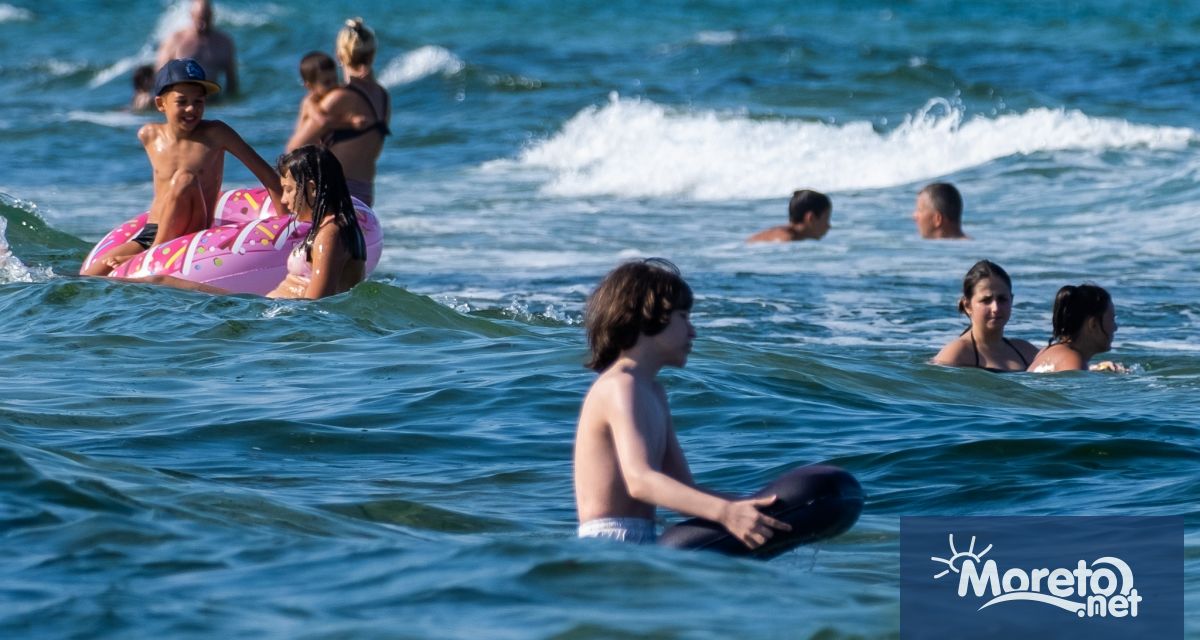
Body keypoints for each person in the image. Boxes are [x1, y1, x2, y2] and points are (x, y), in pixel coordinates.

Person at [573, 258, 791, 547]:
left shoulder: (653, 392)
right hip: (607, 544)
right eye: (684, 317)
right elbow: (640, 481)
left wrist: (753, 507)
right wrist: (725, 513)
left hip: (641, 541)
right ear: (648, 316)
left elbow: (684, 490)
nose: (693, 331)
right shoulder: (620, 386)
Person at [82, 58, 282, 277]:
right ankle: (148, 252)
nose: (191, 108)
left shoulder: (216, 134)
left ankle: (153, 253)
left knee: (184, 178)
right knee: (91, 275)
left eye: (199, 101)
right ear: (161, 104)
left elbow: (266, 175)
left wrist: (287, 227)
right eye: (182, 101)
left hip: (192, 228)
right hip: (151, 233)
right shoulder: (149, 135)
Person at [127, 146, 367, 300]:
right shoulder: (333, 229)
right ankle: (97, 284)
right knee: (158, 281)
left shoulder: (331, 234)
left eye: (289, 190)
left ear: (312, 189)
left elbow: (315, 308)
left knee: (158, 282)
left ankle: (96, 286)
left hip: (273, 315)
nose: (284, 200)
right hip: (270, 309)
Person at [287, 18, 390, 206]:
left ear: (340, 56)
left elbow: (294, 150)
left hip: (336, 193)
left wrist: (309, 103)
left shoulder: (340, 98)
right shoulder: (382, 96)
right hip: (365, 195)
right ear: (372, 55)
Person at [932, 260, 1038, 372]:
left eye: (1002, 299)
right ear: (967, 305)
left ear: (1011, 300)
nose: (996, 308)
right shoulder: (955, 355)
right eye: (986, 300)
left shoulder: (1026, 352)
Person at [1027, 284, 1122, 373]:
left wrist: (1095, 370)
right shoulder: (1071, 359)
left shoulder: (1049, 352)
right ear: (1093, 324)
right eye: (1112, 319)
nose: (1115, 328)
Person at [287, 52, 368, 151]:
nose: (334, 85)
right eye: (327, 82)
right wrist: (351, 123)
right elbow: (322, 122)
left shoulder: (327, 95)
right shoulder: (309, 102)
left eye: (335, 79)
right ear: (309, 86)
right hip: (299, 153)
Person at [156, 0, 238, 96]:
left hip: (212, 100)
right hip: (183, 100)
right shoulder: (175, 40)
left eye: (207, 19)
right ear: (191, 15)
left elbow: (232, 81)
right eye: (200, 19)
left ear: (212, 16)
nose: (203, 25)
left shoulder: (224, 42)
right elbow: (159, 76)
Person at [747, 190, 832, 243]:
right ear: (811, 218)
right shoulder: (786, 240)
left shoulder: (772, 233)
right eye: (826, 219)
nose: (829, 226)